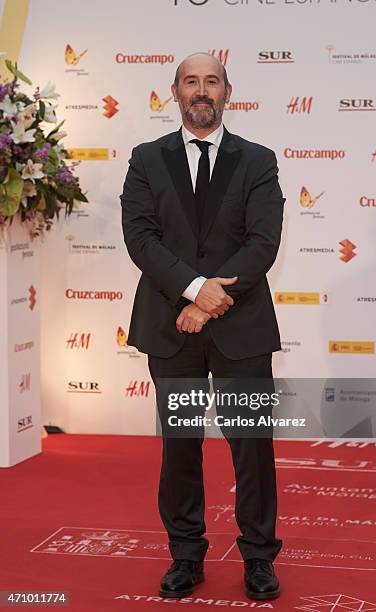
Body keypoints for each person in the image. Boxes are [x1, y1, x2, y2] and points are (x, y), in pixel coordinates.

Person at [120, 52, 285, 601]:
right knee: (181, 446)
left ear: (227, 92)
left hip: (241, 328)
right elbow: (142, 238)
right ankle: (186, 556)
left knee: (251, 447)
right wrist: (193, 290)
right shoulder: (146, 159)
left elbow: (261, 243)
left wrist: (211, 301)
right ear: (175, 92)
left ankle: (259, 558)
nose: (201, 90)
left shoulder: (258, 160)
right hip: (172, 326)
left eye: (211, 81)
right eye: (191, 81)